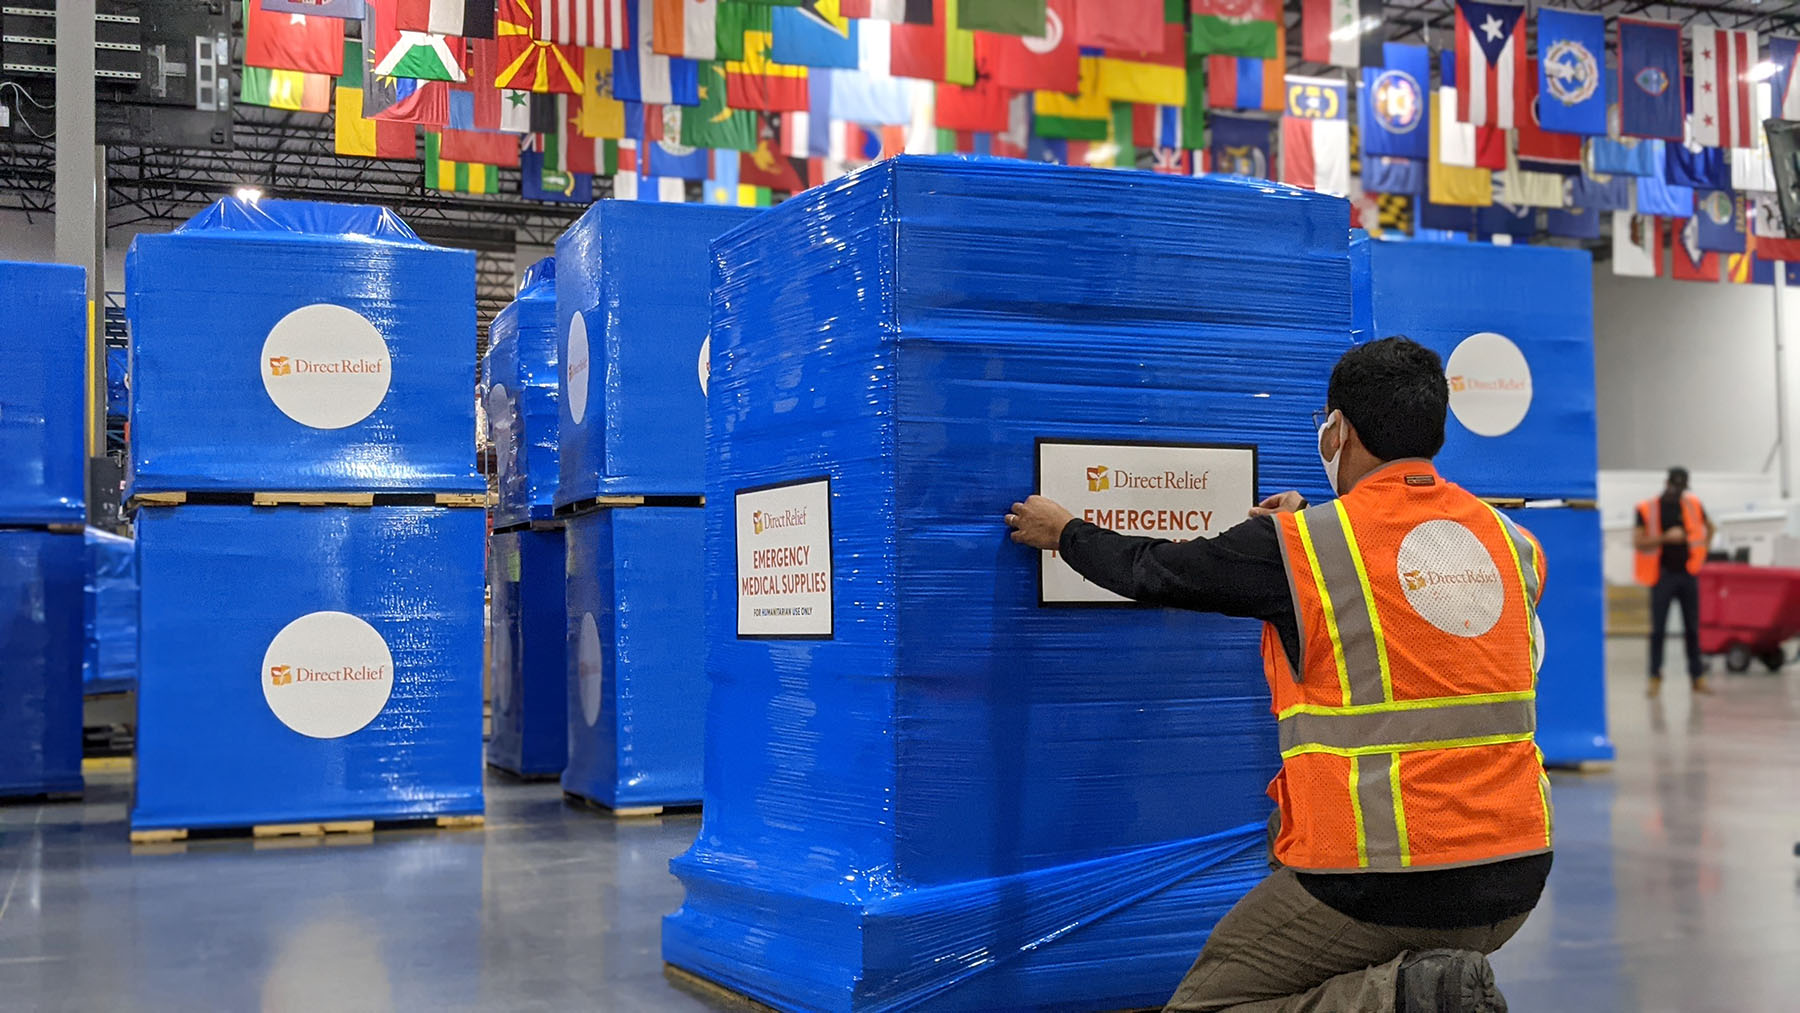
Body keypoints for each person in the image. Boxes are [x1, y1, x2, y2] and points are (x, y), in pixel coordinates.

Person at [1004, 338, 1551, 1013]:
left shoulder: (1300, 549)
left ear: (1340, 430)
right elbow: (1403, 607)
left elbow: (1157, 568)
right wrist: (1299, 539)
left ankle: (1406, 996)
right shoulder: (1511, 544)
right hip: (1517, 871)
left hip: (1388, 881)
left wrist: (1065, 531)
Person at [1632, 467, 1715, 697]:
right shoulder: (1648, 508)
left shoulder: (1693, 504)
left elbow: (1710, 528)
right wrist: (1665, 538)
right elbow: (1638, 542)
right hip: (1663, 576)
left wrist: (1702, 550)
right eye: (1675, 486)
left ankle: (1697, 677)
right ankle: (1654, 677)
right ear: (1666, 483)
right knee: (1658, 630)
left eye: (1681, 487)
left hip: (1688, 574)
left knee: (1692, 629)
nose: (1678, 491)